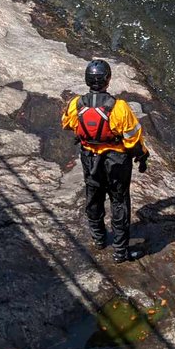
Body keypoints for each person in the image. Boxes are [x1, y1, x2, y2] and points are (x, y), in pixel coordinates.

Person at [61, 58, 148, 263]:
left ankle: (99, 239)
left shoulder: (76, 104)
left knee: (94, 195)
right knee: (119, 202)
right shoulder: (119, 108)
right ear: (108, 80)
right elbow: (133, 140)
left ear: (87, 80)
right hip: (116, 161)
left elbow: (66, 124)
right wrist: (142, 156)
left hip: (90, 158)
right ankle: (120, 252)